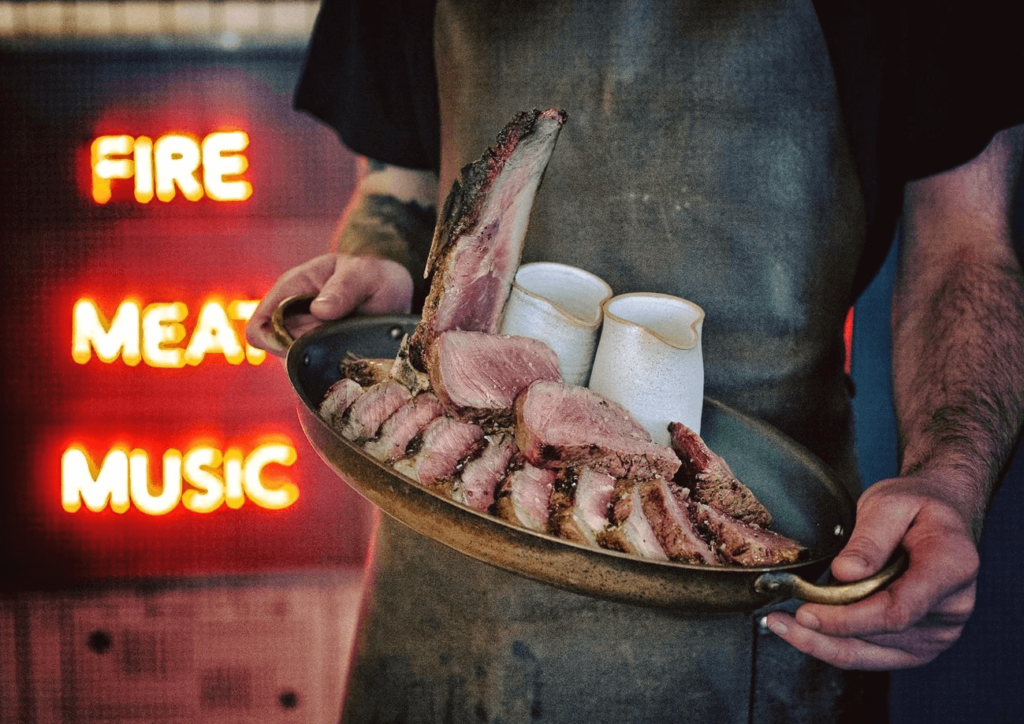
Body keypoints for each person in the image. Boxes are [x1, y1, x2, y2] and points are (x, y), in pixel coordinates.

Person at [248, 1, 1024, 721]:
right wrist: (375, 263)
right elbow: (400, 183)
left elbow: (967, 245)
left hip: (748, 571)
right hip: (445, 543)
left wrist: (949, 477)